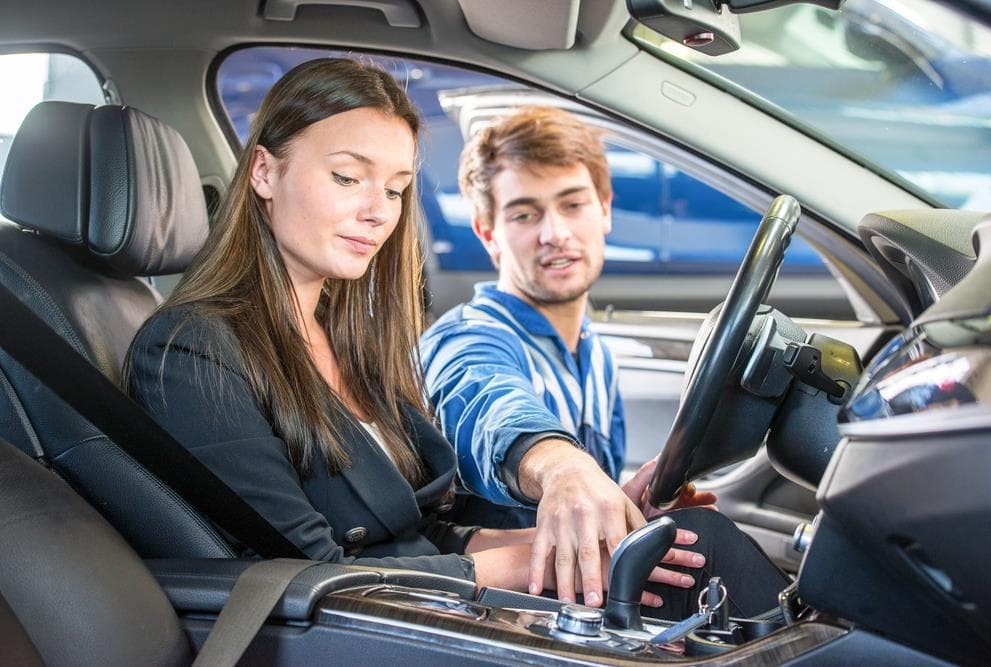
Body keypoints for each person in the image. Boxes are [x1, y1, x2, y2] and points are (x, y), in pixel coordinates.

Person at [125, 59, 683, 606]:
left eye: (395, 189)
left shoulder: (351, 343)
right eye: (348, 177)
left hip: (433, 613)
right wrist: (552, 525)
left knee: (701, 551)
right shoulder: (189, 351)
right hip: (361, 635)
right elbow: (307, 577)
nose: (378, 212)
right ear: (265, 172)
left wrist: (607, 529)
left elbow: (421, 537)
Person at [420, 106, 790, 614]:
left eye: (572, 205)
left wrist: (622, 507)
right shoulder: (469, 337)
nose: (554, 233)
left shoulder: (594, 353)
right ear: (488, 234)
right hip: (504, 614)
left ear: (605, 209)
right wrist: (561, 468)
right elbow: (485, 401)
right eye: (525, 214)